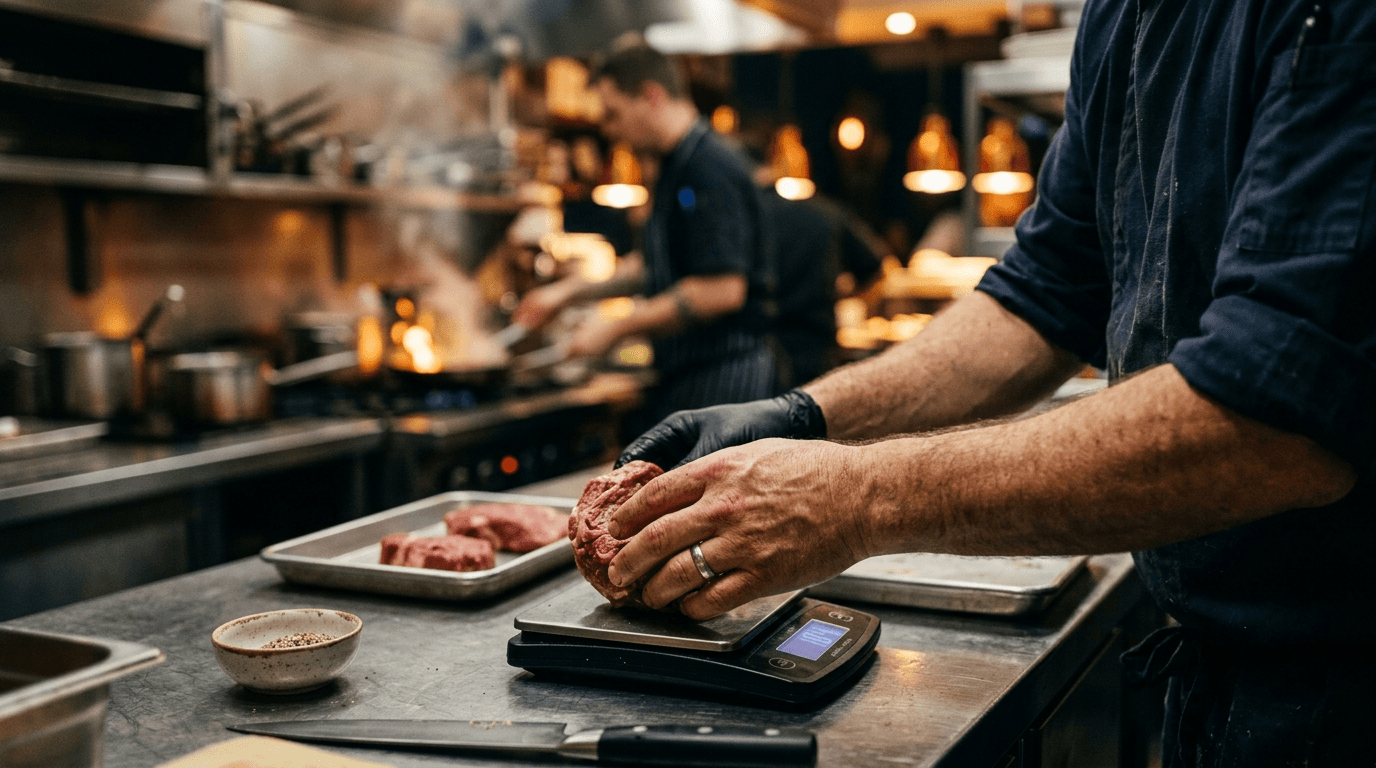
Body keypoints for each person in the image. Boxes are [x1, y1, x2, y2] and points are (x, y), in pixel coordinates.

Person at [598, 1, 1376, 765]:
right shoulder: (1121, 16)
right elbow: (1046, 290)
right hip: (1225, 672)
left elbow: (1279, 414)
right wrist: (802, 415)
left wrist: (854, 499)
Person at [514, 45, 776, 429]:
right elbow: (656, 264)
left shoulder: (707, 169)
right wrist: (566, 293)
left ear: (651, 96)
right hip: (692, 379)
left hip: (725, 383)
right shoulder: (676, 166)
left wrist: (615, 328)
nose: (608, 130)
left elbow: (720, 290)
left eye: (613, 113)